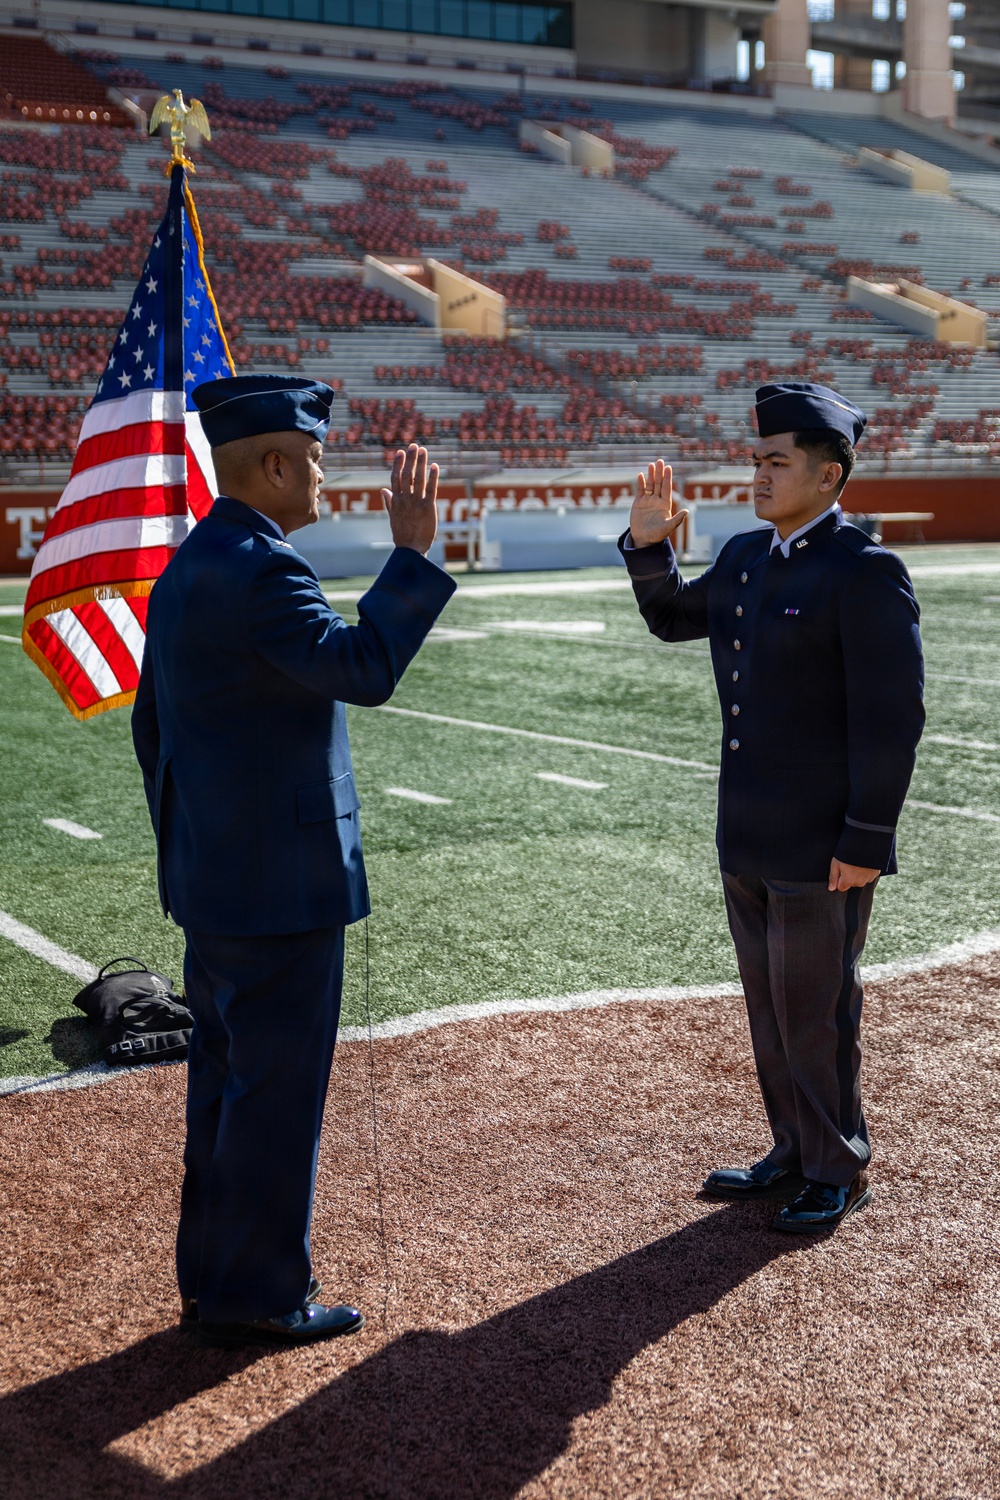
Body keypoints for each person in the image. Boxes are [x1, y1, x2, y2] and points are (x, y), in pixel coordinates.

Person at [132, 374, 455, 1346]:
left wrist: (193, 851)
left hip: (217, 885)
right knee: (273, 1106)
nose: (322, 477)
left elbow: (154, 734)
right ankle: (259, 1297)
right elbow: (361, 670)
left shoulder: (194, 563)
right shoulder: (265, 570)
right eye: (312, 458)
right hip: (279, 895)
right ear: (271, 465)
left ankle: (213, 1281)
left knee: (223, 1097)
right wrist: (411, 557)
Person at [620, 383, 924, 1234]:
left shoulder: (864, 571)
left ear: (829, 476)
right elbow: (674, 616)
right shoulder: (750, 557)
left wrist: (867, 837)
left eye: (776, 461)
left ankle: (838, 1165)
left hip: (825, 843)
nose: (758, 472)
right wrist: (649, 549)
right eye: (755, 459)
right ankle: (792, 1148)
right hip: (747, 834)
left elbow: (892, 718)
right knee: (769, 1009)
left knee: (817, 1012)